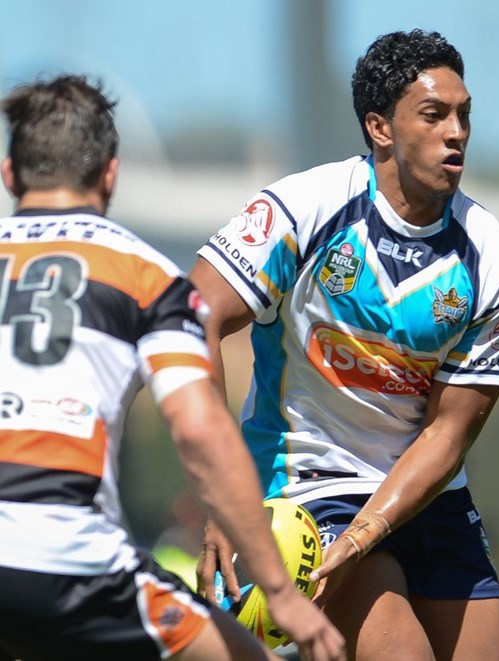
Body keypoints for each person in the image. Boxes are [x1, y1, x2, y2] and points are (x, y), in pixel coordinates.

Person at [192, 29, 499, 660]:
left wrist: (372, 527)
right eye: (434, 115)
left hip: (424, 495)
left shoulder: (495, 262)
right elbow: (195, 317)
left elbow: (447, 434)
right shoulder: (303, 209)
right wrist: (220, 492)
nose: (456, 132)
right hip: (311, 486)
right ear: (380, 128)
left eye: (464, 115)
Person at [0, 75, 345, 661]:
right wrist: (281, 593)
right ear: (110, 173)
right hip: (74, 566)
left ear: (9, 174)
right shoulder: (149, 278)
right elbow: (198, 429)